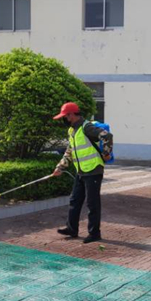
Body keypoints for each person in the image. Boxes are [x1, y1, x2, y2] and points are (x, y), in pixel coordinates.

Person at [52, 102, 113, 244]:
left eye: (65, 116)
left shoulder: (87, 127)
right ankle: (71, 229)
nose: (64, 119)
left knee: (92, 203)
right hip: (81, 170)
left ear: (72, 114)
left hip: (93, 169)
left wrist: (106, 153)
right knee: (74, 200)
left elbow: (107, 136)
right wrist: (60, 167)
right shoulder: (72, 130)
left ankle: (94, 233)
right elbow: (70, 151)